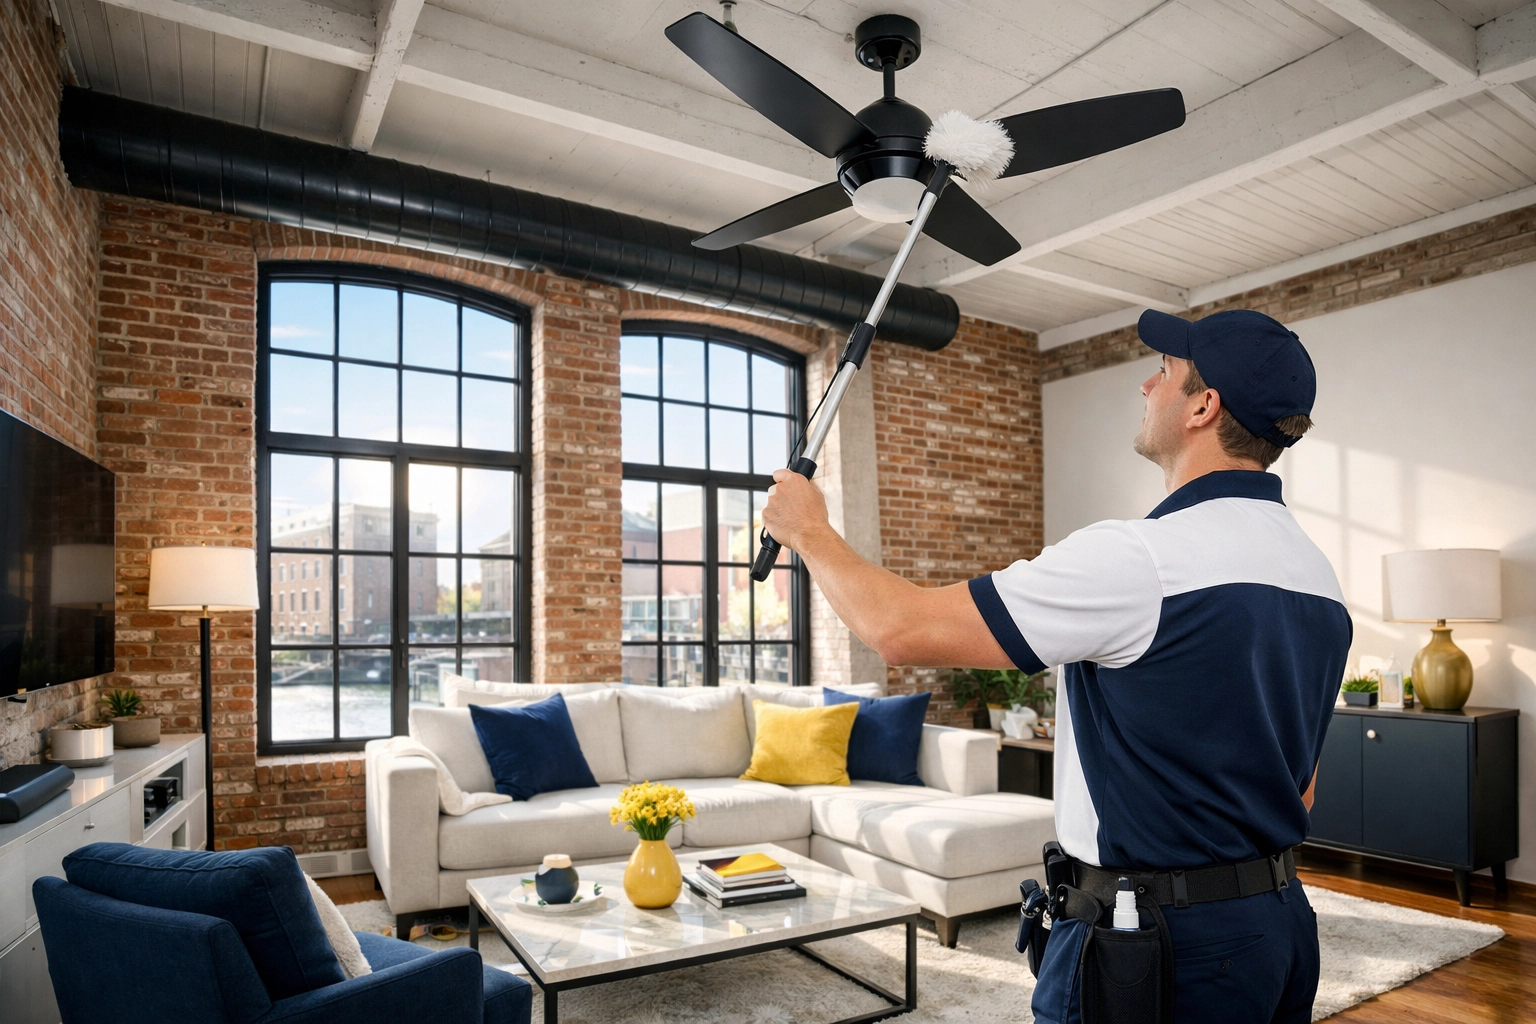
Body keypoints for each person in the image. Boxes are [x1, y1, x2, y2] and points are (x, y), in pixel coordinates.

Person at [760, 308, 1350, 1024]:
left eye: (1163, 372)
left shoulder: (1139, 558)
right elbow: (1304, 789)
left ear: (1204, 405)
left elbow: (899, 630)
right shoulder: (1318, 576)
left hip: (1157, 946)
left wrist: (810, 532)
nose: (1144, 385)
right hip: (1279, 929)